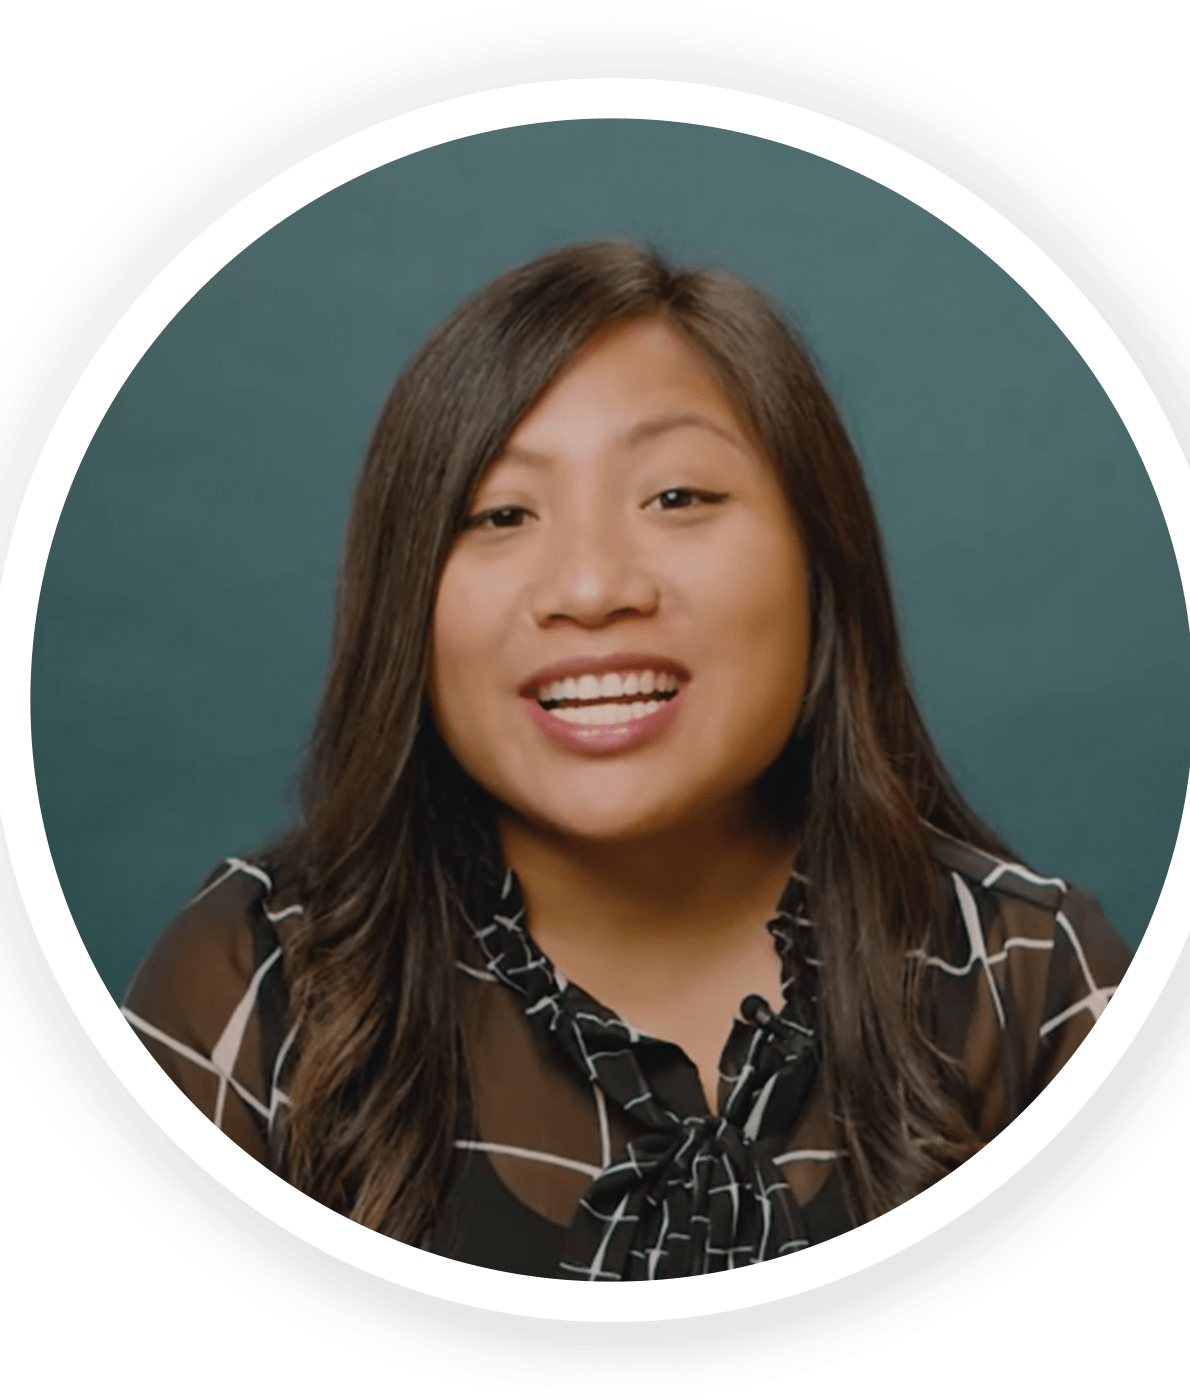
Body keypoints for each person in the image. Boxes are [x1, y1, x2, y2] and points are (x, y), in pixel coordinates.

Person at [122, 241, 1131, 1281]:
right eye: (500, 513)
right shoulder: (258, 981)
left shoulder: (1032, 978)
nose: (593, 585)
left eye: (677, 497)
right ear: (402, 600)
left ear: (818, 559)